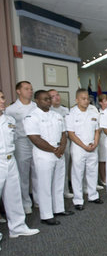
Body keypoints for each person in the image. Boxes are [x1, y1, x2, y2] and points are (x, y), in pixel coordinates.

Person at [25, 90, 74, 225]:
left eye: (49, 99)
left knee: (59, 181)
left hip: (59, 151)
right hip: (44, 153)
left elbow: (64, 134)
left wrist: (62, 148)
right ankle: (46, 215)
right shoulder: (32, 117)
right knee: (45, 184)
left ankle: (59, 208)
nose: (48, 101)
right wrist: (53, 150)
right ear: (37, 100)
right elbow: (34, 138)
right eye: (45, 99)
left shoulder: (56, 115)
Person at [0, 90, 40, 239]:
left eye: (3, 98)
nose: (3, 101)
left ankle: (17, 227)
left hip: (10, 160)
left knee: (13, 195)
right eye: (0, 99)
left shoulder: (9, 119)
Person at [66, 89, 103, 211]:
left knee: (92, 171)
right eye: (83, 98)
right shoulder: (71, 114)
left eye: (87, 98)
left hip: (93, 147)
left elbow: (97, 130)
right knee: (78, 174)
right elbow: (71, 134)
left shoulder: (93, 112)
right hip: (79, 148)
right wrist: (84, 146)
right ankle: (78, 200)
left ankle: (93, 195)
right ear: (76, 100)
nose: (86, 101)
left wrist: (96, 143)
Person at [5, 81, 38, 214]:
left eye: (31, 89)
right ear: (18, 91)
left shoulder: (36, 106)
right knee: (23, 175)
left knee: (38, 173)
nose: (30, 91)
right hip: (21, 142)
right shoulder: (11, 109)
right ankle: (26, 202)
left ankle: (38, 200)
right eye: (26, 89)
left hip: (36, 142)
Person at [48, 89, 73, 199]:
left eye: (57, 95)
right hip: (51, 144)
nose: (57, 97)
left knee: (65, 167)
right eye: (53, 96)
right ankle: (53, 193)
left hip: (65, 142)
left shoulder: (66, 109)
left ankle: (65, 190)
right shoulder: (47, 111)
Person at [97, 94, 107, 186]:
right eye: (105, 101)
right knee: (102, 160)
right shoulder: (98, 114)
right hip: (102, 138)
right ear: (100, 103)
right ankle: (103, 178)